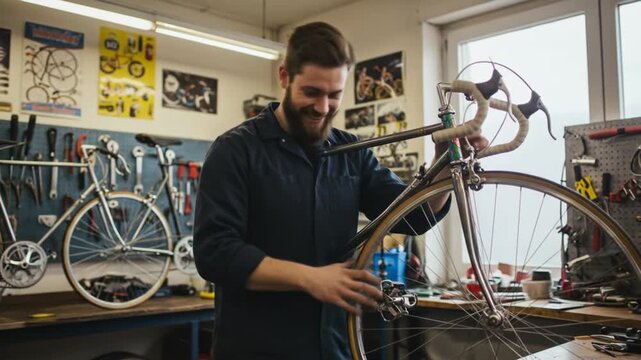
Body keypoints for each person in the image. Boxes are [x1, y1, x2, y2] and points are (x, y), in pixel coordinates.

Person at [194, 21, 486, 360]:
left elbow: (413, 216)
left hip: (335, 347)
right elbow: (215, 253)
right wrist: (310, 278)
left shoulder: (351, 152)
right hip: (257, 349)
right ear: (285, 76)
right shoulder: (235, 150)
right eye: (312, 93)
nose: (322, 108)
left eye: (334, 95)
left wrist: (442, 168)